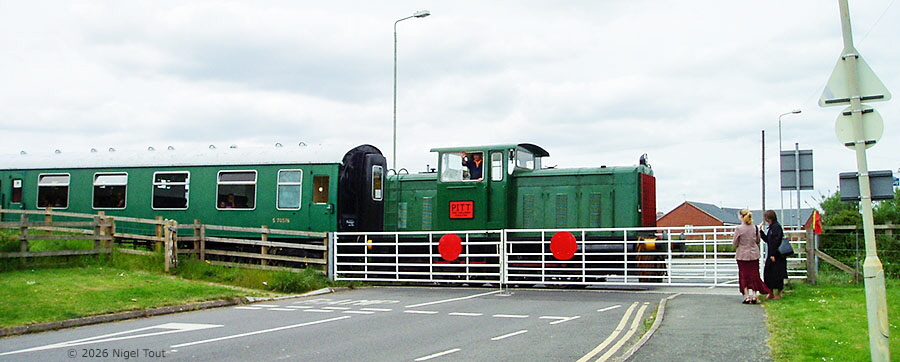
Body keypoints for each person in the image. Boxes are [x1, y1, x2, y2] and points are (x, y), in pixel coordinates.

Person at [733, 209, 771, 304]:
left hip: (742, 255)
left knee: (743, 275)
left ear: (741, 216)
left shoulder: (739, 228)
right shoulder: (754, 227)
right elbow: (758, 240)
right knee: (754, 275)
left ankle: (747, 296)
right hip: (753, 254)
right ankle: (754, 295)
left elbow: (735, 242)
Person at [759, 210, 787, 299]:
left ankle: (778, 293)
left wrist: (773, 254)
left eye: (766, 217)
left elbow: (776, 242)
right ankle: (770, 292)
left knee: (777, 274)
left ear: (769, 218)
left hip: (777, 255)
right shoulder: (771, 227)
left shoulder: (776, 227)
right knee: (768, 273)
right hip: (771, 253)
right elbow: (768, 240)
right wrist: (760, 232)